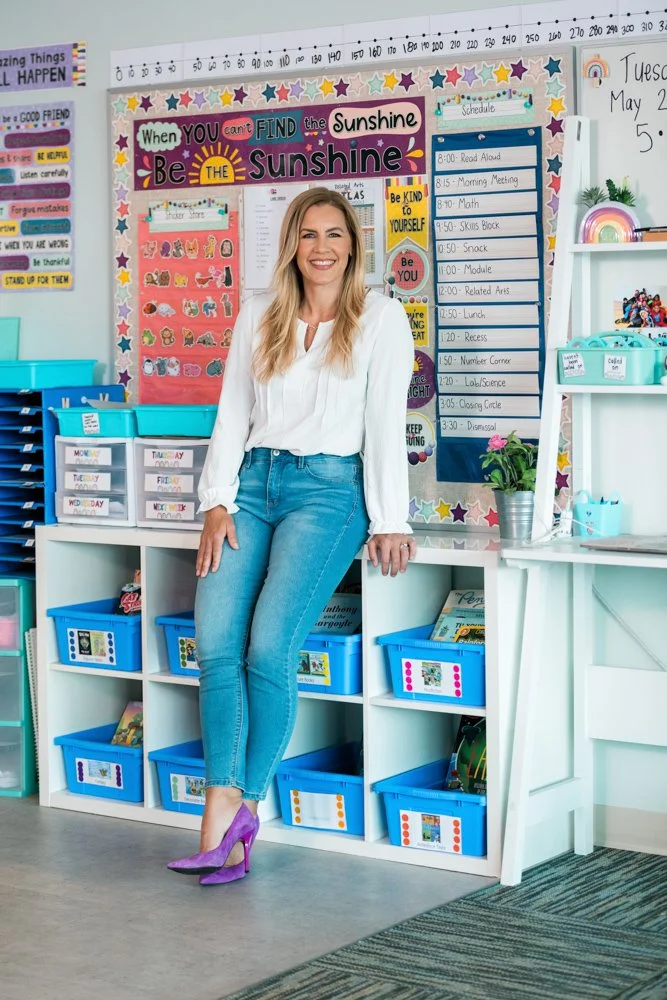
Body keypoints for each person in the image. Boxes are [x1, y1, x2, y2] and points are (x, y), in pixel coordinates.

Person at [168, 187, 416, 886]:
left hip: (329, 493)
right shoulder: (259, 313)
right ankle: (219, 813)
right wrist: (215, 501)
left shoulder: (381, 318)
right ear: (291, 245)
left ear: (352, 245)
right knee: (216, 646)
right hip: (252, 485)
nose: (321, 247)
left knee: (268, 649)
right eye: (308, 234)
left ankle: (244, 807)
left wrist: (390, 519)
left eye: (334, 234)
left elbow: (384, 424)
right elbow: (231, 413)